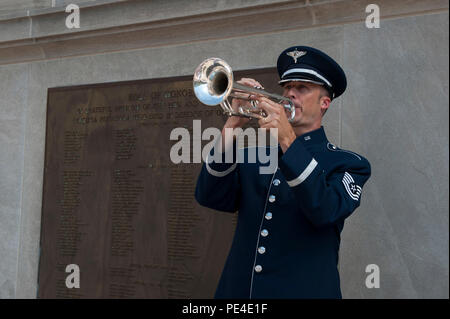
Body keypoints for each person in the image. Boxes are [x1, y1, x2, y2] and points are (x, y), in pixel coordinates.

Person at [195, 46, 371, 299]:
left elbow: (325, 210)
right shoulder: (255, 156)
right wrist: (233, 123)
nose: (290, 93)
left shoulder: (348, 164)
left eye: (302, 88)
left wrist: (289, 140)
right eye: (287, 86)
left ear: (325, 103)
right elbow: (209, 196)